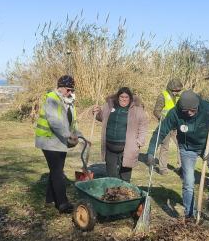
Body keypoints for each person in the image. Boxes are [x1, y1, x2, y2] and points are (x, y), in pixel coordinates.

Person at [146, 90, 209, 225]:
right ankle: (190, 214)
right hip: (187, 148)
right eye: (186, 111)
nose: (189, 113)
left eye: (192, 110)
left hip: (208, 147)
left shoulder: (208, 109)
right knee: (189, 181)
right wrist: (150, 152)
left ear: (198, 106)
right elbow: (160, 132)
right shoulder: (175, 113)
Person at [34, 75, 82, 214]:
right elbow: (55, 122)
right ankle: (62, 204)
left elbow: (73, 123)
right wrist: (69, 135)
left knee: (56, 170)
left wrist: (80, 136)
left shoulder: (69, 102)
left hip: (60, 142)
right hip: (48, 141)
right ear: (60, 87)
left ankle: (50, 199)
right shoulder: (52, 99)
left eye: (71, 90)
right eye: (68, 89)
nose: (70, 92)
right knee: (58, 172)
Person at [91, 87, 149, 182]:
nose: (124, 99)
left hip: (127, 146)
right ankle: (113, 192)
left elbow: (143, 125)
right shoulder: (109, 106)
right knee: (111, 174)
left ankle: (125, 193)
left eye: (126, 97)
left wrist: (140, 141)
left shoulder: (137, 110)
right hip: (110, 146)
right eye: (121, 97)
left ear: (130, 98)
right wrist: (96, 112)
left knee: (125, 174)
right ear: (118, 97)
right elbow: (101, 117)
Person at [153, 78, 183, 174]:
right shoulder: (163, 96)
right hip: (166, 125)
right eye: (175, 90)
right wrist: (162, 118)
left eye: (179, 90)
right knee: (164, 146)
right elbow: (156, 111)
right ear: (170, 88)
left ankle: (181, 167)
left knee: (181, 146)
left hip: (177, 126)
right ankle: (162, 168)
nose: (177, 92)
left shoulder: (180, 97)